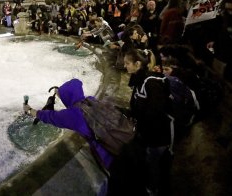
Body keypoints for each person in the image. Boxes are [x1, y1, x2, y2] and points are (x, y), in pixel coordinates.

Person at [23, 79, 114, 170]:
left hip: (111, 158)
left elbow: (50, 116)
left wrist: (30, 110)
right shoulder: (91, 100)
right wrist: (60, 93)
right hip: (120, 142)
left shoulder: (74, 115)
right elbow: (72, 95)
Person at [123, 48, 174, 196]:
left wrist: (139, 123)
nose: (125, 66)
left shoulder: (150, 83)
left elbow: (156, 113)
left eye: (127, 63)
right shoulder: (140, 80)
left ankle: (152, 190)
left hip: (158, 136)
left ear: (137, 64)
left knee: (154, 164)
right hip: (148, 133)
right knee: (149, 161)